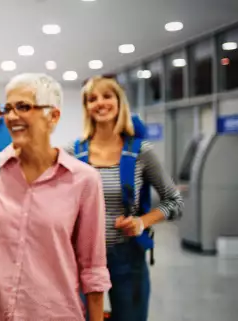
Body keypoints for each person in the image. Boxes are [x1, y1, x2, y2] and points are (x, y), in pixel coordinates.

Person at [0, 73, 111, 321]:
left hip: (55, 313)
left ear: (53, 116)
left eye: (23, 107)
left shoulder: (83, 180)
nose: (11, 117)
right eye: (7, 108)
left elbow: (93, 268)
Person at [66, 76, 183, 321]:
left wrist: (142, 222)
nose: (100, 103)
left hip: (127, 255)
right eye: (92, 99)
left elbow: (174, 201)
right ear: (86, 107)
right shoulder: (72, 154)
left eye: (107, 96)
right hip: (81, 257)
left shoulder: (141, 152)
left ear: (120, 103)